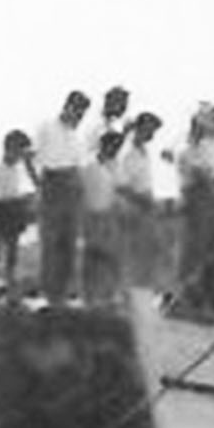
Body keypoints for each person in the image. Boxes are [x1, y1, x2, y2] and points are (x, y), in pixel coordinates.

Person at [33, 90, 91, 306]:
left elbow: (79, 166)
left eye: (83, 112)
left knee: (68, 243)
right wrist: (39, 186)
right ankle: (49, 295)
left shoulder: (76, 136)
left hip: (72, 187)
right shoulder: (47, 127)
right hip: (52, 184)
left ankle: (62, 294)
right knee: (51, 243)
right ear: (68, 106)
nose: (79, 116)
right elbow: (32, 157)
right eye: (77, 110)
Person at [175, 103, 214, 307]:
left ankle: (210, 291)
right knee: (195, 244)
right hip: (199, 191)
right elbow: (197, 171)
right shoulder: (193, 143)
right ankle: (185, 290)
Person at [0, 129, 37, 305]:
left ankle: (11, 291)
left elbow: (27, 187)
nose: (21, 156)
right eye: (19, 151)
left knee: (12, 253)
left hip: (13, 209)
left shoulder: (18, 171)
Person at [117, 112, 163, 292]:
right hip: (131, 208)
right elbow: (121, 185)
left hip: (144, 207)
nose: (152, 134)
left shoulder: (144, 151)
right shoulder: (127, 152)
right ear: (139, 128)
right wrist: (141, 201)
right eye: (149, 129)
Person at [80, 131, 124, 308]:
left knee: (113, 258)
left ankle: (110, 296)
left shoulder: (116, 167)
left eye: (117, 147)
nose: (114, 149)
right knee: (93, 257)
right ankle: (89, 299)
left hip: (112, 215)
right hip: (92, 215)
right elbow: (81, 194)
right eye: (112, 145)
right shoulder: (89, 167)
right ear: (103, 145)